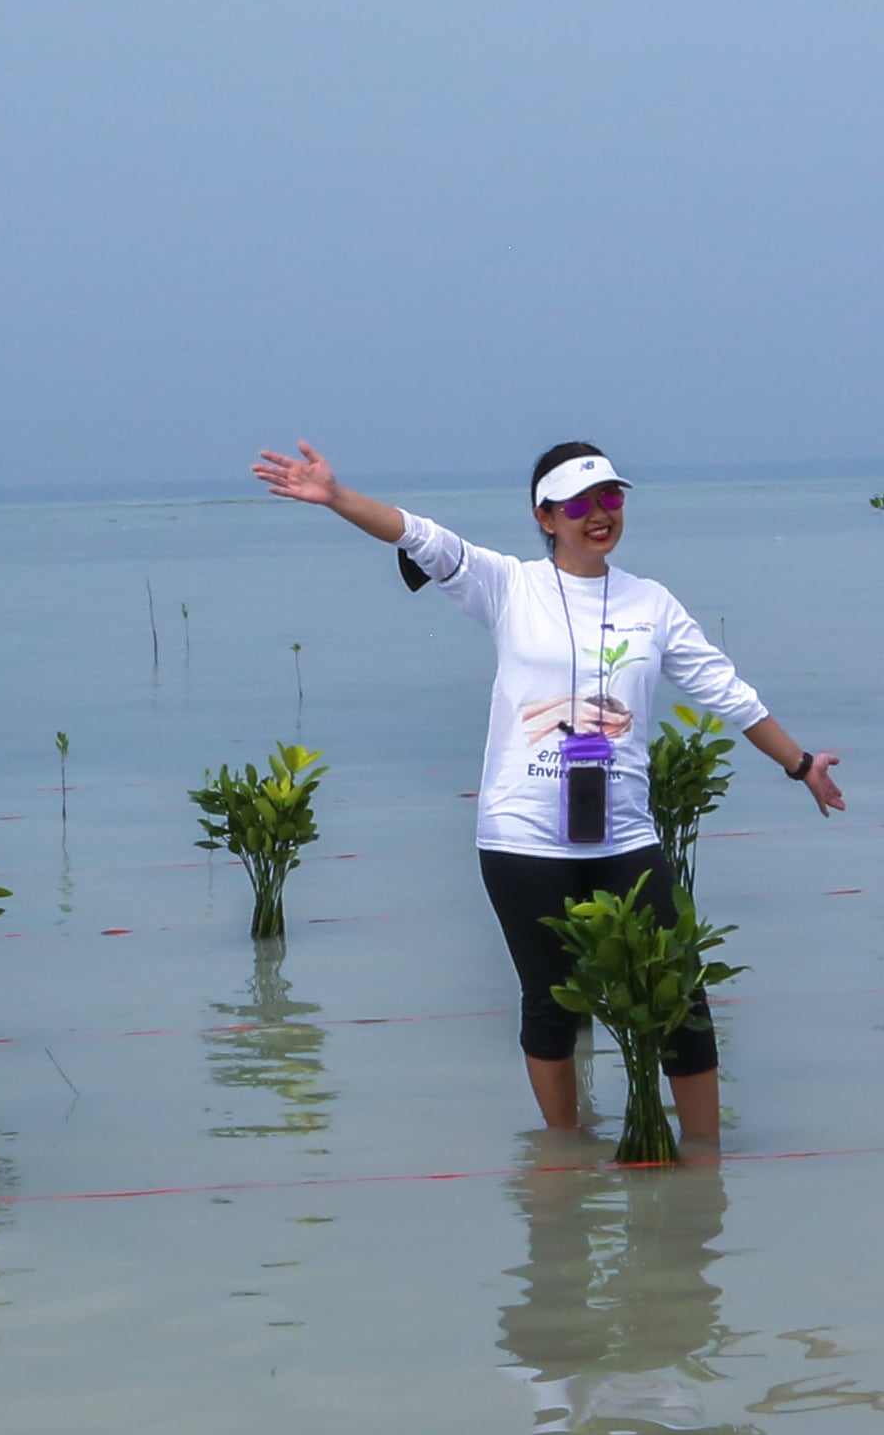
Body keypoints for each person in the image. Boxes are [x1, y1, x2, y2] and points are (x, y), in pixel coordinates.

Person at [256, 437, 839, 1152]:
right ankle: (566, 1157)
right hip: (522, 839)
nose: (601, 514)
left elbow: (726, 689)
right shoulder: (508, 585)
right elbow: (419, 536)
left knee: (681, 1000)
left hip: (624, 835)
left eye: (612, 498)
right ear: (545, 516)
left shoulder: (650, 603)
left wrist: (800, 762)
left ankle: (703, 1164)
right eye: (582, 504)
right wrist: (337, 496)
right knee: (550, 1004)